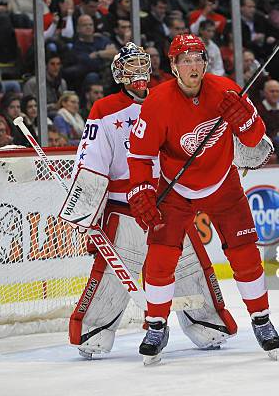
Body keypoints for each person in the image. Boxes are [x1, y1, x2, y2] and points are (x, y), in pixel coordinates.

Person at [66, 42, 237, 360]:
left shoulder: (167, 98)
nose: (139, 75)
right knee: (115, 273)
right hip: (125, 207)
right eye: (130, 69)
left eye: (143, 66)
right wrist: (86, 209)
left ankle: (207, 323)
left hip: (171, 203)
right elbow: (91, 160)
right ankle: (94, 330)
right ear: (118, 75)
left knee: (188, 267)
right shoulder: (104, 109)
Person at [127, 34, 279, 362]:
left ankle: (261, 319)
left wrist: (246, 119)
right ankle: (156, 324)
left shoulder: (226, 89)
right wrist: (141, 189)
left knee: (245, 253)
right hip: (175, 189)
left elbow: (258, 140)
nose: (193, 65)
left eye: (198, 58)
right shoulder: (156, 102)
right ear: (173, 67)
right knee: (160, 257)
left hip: (223, 183)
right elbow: (140, 155)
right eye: (185, 60)